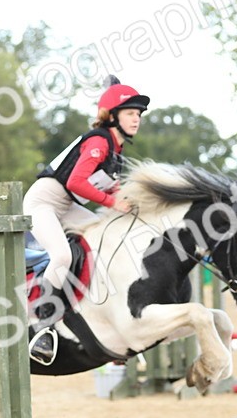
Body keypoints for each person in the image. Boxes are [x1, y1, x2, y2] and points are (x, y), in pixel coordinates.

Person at [23, 76, 149, 364]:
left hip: (66, 206)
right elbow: (78, 183)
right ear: (112, 116)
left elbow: (109, 186)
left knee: (109, 238)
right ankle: (42, 327)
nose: (136, 119)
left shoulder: (116, 150)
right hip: (43, 203)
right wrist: (113, 202)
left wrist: (130, 205)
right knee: (63, 256)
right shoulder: (98, 140)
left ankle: (109, 325)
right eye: (131, 113)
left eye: (138, 114)